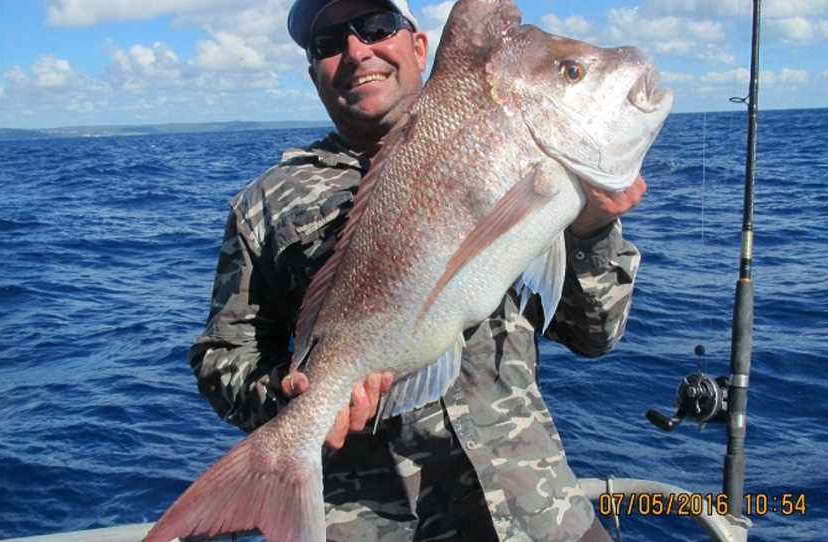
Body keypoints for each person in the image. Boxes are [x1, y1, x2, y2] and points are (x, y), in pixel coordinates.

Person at [189, 0, 645, 540]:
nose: (357, 51)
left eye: (376, 26)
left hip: (540, 514)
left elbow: (596, 337)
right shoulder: (265, 203)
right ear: (313, 72)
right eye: (328, 43)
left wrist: (591, 233)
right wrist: (296, 401)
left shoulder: (518, 145)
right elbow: (222, 356)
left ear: (419, 46)